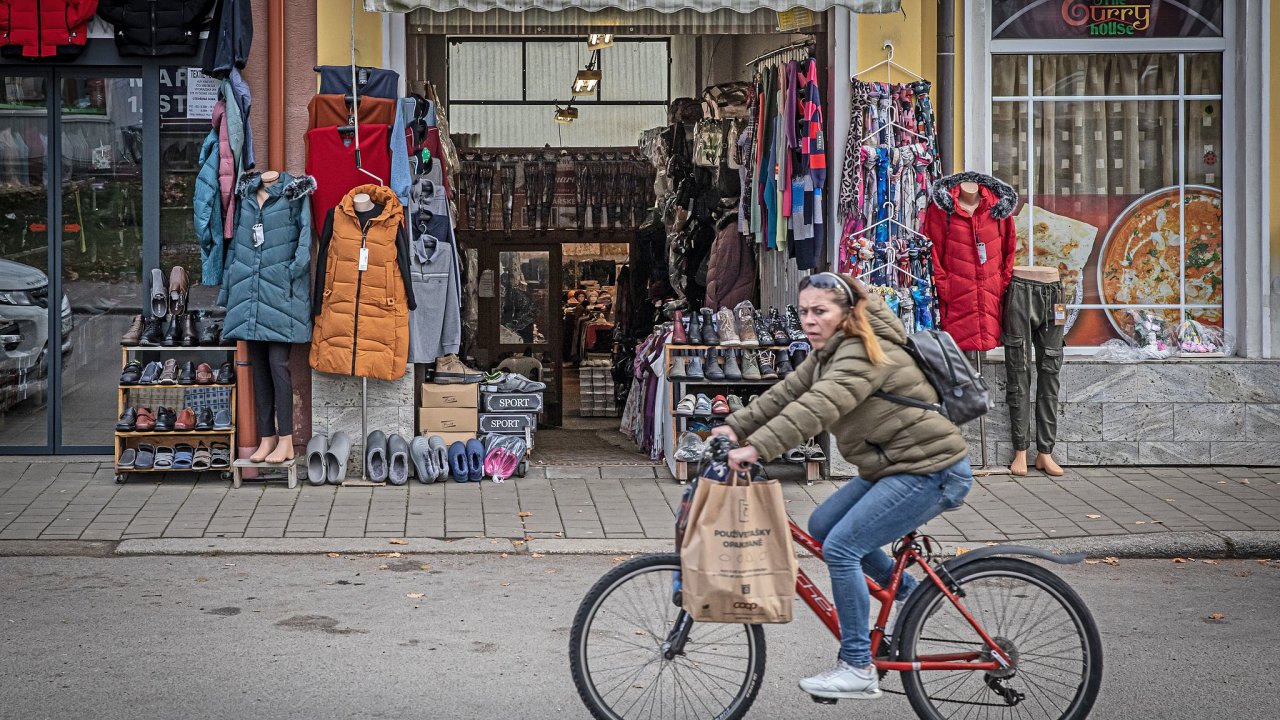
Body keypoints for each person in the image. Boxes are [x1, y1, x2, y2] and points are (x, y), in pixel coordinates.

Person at [713, 272, 973, 701]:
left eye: (821, 311)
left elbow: (819, 406)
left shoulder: (862, 351)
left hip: (931, 470)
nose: (810, 321)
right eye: (804, 312)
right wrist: (733, 426)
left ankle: (856, 665)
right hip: (894, 466)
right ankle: (913, 594)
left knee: (842, 548)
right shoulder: (829, 350)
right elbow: (786, 393)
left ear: (847, 313)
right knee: (822, 524)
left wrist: (756, 448)